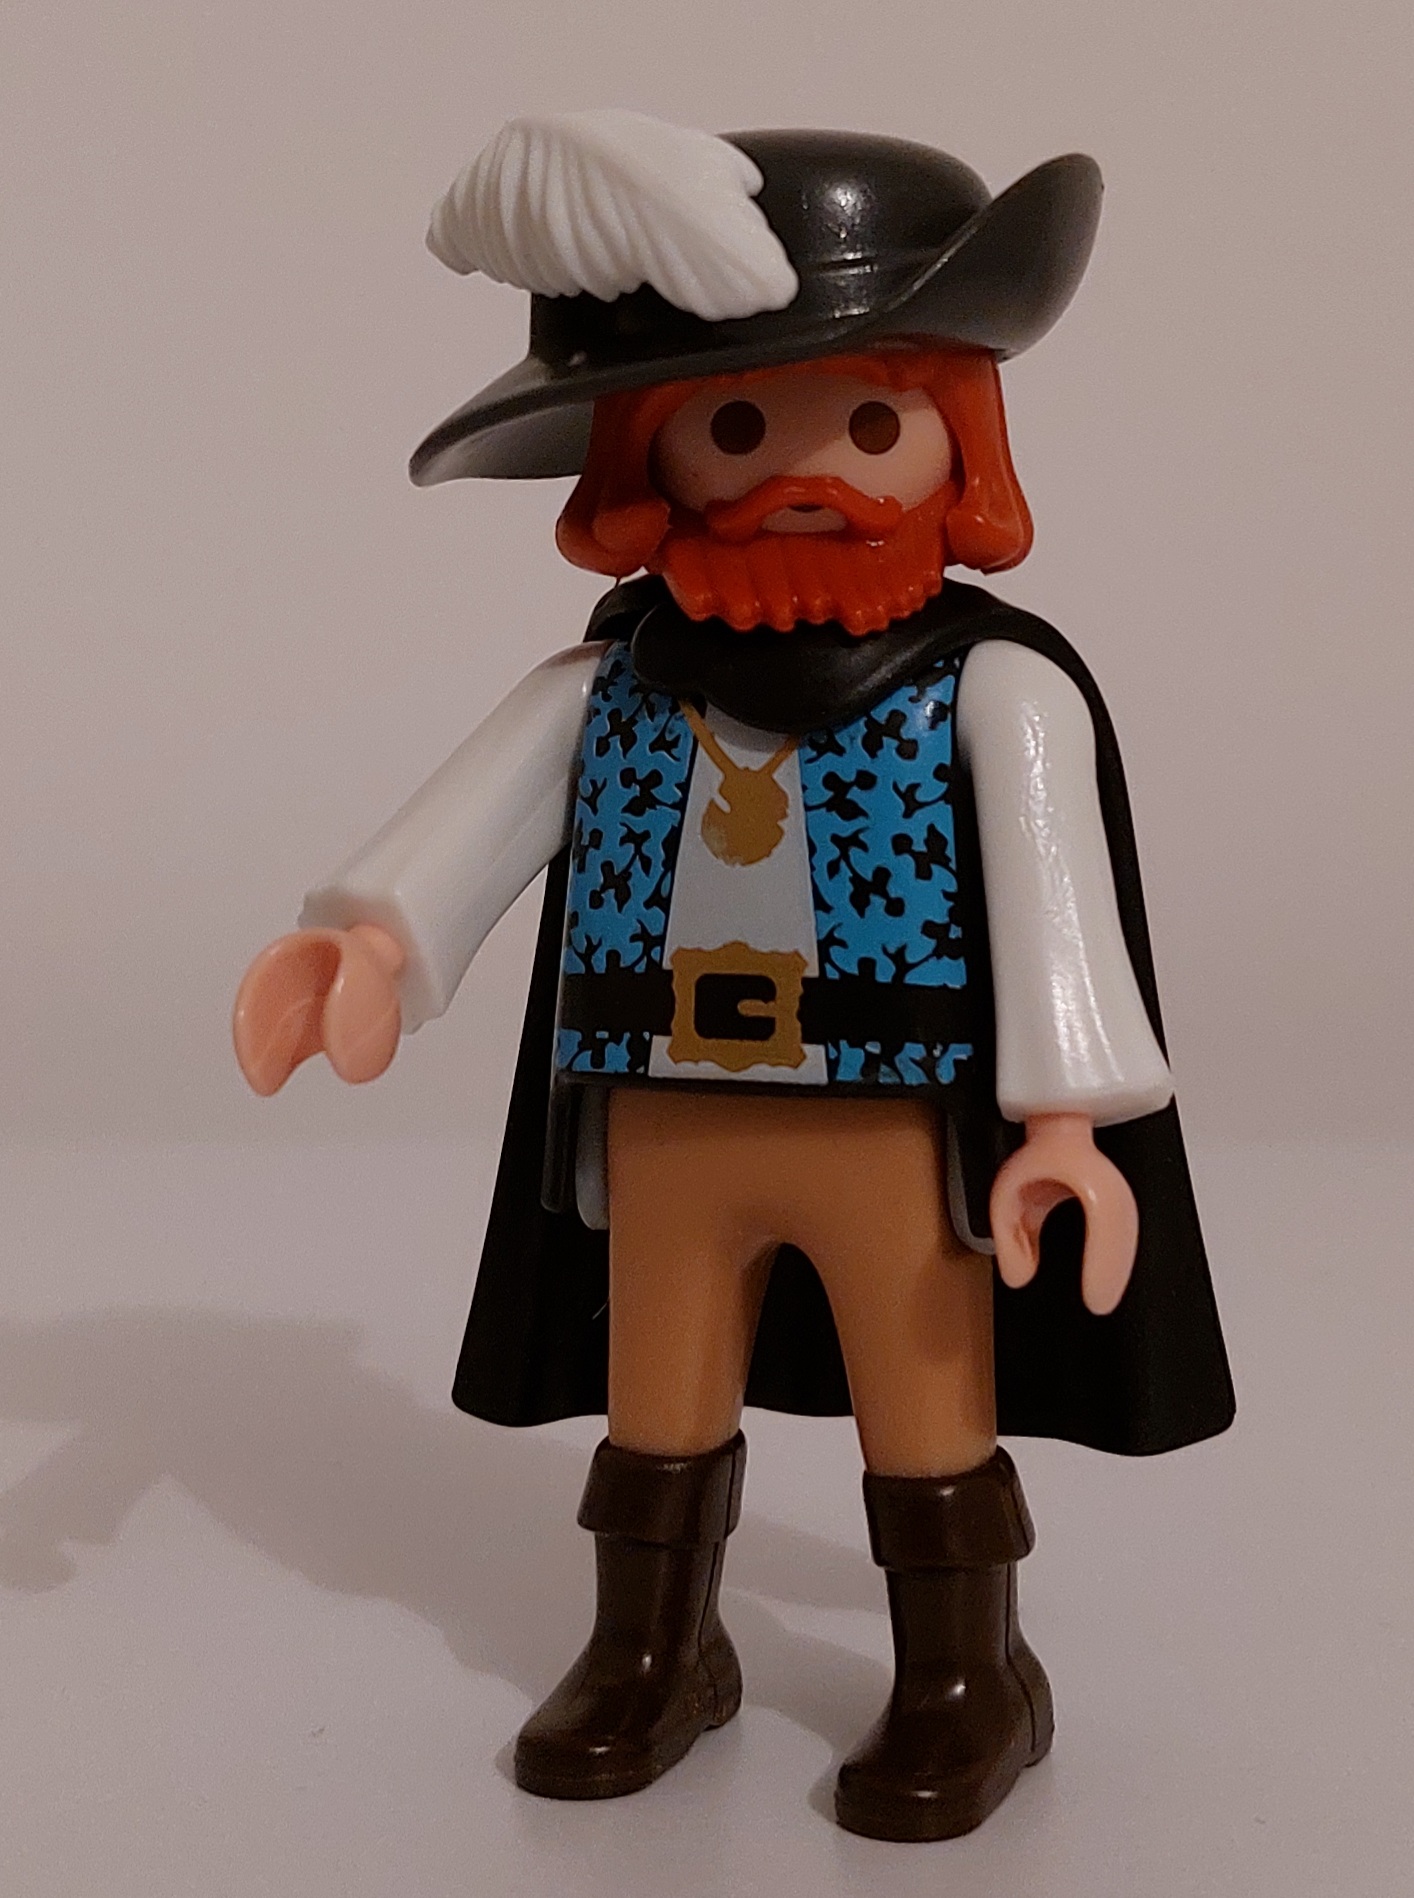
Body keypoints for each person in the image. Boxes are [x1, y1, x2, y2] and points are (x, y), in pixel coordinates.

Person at [234, 112, 1234, 1842]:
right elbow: (468, 832)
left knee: (925, 1397)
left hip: (893, 1112)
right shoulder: (610, 685)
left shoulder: (988, 690)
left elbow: (1056, 900)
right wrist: (370, 940)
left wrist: (1065, 1119)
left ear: (961, 440)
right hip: (663, 1104)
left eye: (872, 421)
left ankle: (967, 1674)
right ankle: (653, 1647)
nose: (805, 471)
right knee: (660, 1394)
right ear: (649, 456)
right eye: (738, 425)